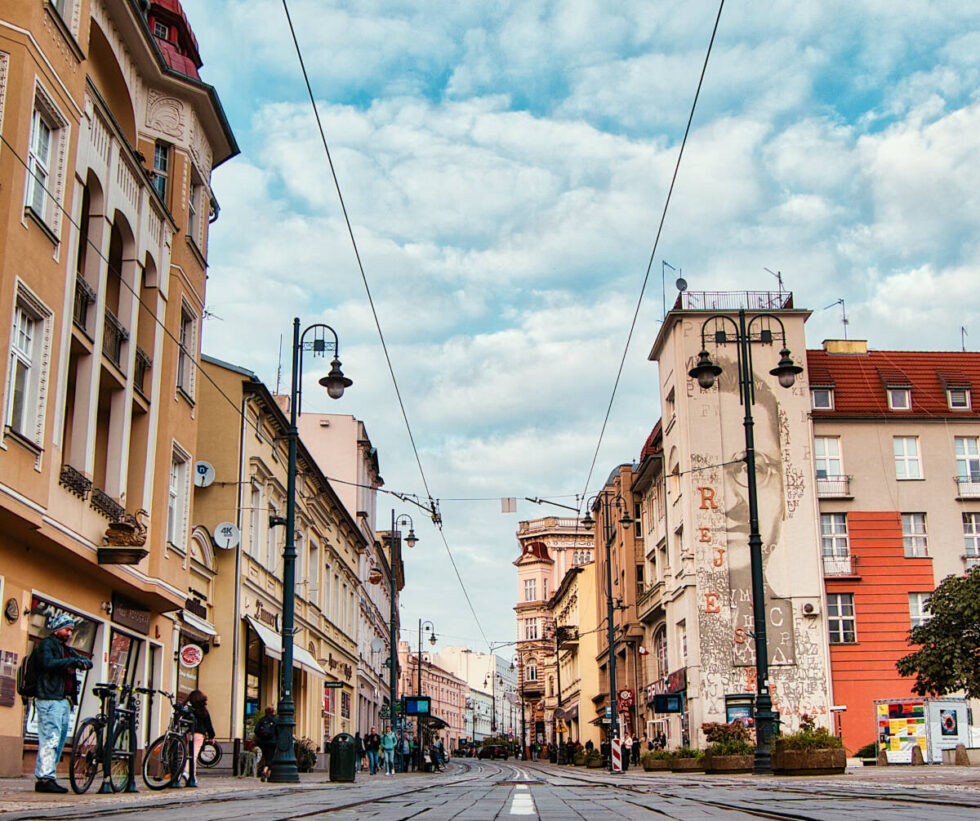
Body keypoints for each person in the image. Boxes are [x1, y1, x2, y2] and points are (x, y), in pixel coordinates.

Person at [32, 613, 93, 793]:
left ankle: (49, 776)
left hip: (62, 700)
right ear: (58, 629)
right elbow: (46, 663)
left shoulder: (64, 648)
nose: (69, 634)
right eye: (67, 630)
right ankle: (44, 779)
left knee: (57, 740)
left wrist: (79, 662)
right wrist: (71, 662)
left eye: (71, 630)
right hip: (49, 698)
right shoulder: (47, 645)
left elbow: (87, 662)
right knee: (50, 738)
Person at [180, 689, 215, 788]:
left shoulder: (189, 709)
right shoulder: (203, 710)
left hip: (188, 733)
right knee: (193, 755)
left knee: (189, 754)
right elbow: (208, 724)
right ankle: (187, 772)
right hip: (199, 734)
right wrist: (212, 736)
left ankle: (192, 777)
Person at [253, 706, 278, 781]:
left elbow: (256, 730)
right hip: (272, 742)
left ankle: (268, 774)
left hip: (263, 742)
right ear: (273, 712)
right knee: (271, 758)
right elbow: (279, 731)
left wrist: (261, 737)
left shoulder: (262, 720)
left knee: (266, 757)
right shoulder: (275, 720)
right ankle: (265, 771)